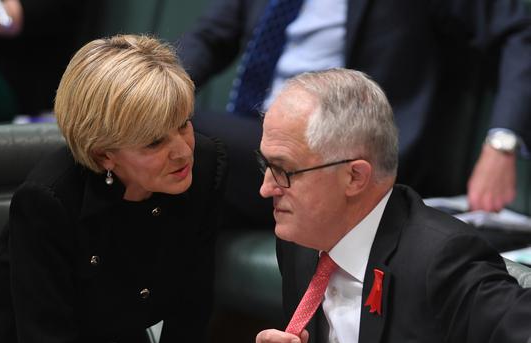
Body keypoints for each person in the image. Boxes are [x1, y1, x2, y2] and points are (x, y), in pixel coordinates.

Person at [252, 68, 531, 343]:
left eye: (283, 170)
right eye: (265, 165)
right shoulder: (301, 238)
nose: (266, 188)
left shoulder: (443, 260)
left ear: (355, 176)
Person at [0, 34, 227, 343]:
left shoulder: (205, 168)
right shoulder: (48, 200)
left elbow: (191, 319)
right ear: (104, 155)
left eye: (183, 125)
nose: (183, 151)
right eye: (154, 142)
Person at [177, 0, 531, 227]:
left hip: (343, 155)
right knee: (173, 176)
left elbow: (518, 32)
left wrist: (502, 142)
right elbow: (210, 36)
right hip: (258, 143)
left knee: (189, 141)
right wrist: (152, 95)